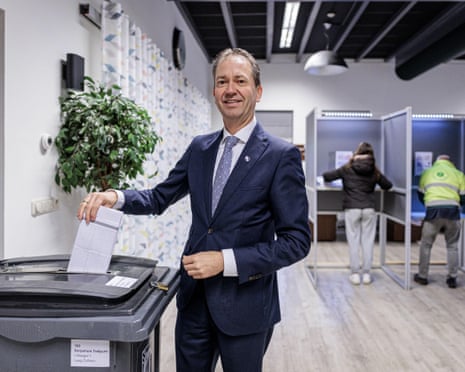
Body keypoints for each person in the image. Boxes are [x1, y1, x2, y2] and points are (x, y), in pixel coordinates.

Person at [77, 48, 311, 372]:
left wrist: (225, 261)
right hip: (194, 302)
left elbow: (296, 241)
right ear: (215, 91)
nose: (230, 89)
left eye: (240, 81)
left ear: (257, 91)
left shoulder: (279, 155)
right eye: (222, 81)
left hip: (246, 308)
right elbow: (160, 197)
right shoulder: (200, 148)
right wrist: (115, 197)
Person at [322, 142, 392, 285]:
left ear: (357, 153)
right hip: (369, 209)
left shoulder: (347, 168)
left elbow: (327, 176)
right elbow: (388, 185)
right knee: (368, 242)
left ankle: (355, 274)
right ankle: (366, 274)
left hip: (352, 208)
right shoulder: (374, 170)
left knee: (353, 242)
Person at [414, 154, 465, 288]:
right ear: (450, 162)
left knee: (426, 244)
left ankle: (423, 276)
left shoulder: (427, 172)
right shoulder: (459, 174)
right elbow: (464, 197)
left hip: (433, 212)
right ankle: (452, 278)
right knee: (452, 245)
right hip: (452, 212)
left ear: (436, 161)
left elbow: (420, 194)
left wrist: (429, 204)